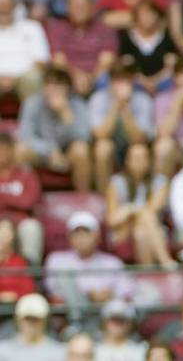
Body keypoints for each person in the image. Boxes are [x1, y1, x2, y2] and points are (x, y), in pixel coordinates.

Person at [17, 67, 92, 191]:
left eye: (58, 85)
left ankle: (83, 197)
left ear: (68, 88)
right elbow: (26, 135)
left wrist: (66, 113)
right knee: (21, 150)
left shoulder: (77, 104)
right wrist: (50, 150)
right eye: (49, 84)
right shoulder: (32, 103)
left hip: (67, 154)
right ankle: (24, 195)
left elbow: (85, 137)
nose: (53, 89)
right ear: (43, 87)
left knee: (81, 150)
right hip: (41, 153)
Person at [105, 142, 175, 267]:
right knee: (144, 218)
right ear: (127, 161)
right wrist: (134, 210)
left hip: (151, 230)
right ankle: (166, 262)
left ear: (150, 160)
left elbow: (152, 211)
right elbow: (112, 220)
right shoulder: (116, 182)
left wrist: (129, 210)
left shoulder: (161, 182)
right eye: (136, 158)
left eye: (144, 157)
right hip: (124, 231)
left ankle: (148, 274)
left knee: (141, 232)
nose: (140, 162)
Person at [89, 62, 155, 192]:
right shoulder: (98, 98)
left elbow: (139, 138)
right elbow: (100, 134)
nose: (121, 84)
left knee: (138, 150)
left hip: (133, 146)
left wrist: (125, 108)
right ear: (110, 81)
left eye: (125, 79)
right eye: (117, 79)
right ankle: (104, 198)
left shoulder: (143, 100)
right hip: (112, 149)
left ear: (132, 81)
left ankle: (139, 197)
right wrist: (116, 106)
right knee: (103, 147)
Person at [44, 212, 136, 306]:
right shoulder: (56, 260)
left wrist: (110, 295)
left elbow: (126, 290)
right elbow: (53, 289)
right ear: (70, 237)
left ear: (97, 236)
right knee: (64, 273)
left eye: (86, 232)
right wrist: (89, 294)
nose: (82, 237)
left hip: (106, 311)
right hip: (72, 312)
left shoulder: (112, 262)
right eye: (77, 233)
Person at [47, 0, 118, 97]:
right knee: (56, 79)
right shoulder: (58, 29)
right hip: (67, 77)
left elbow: (107, 61)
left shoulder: (105, 30)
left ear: (92, 8)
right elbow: (58, 60)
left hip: (98, 80)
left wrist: (90, 78)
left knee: (108, 78)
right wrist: (76, 76)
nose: (79, 9)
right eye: (75, 5)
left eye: (83, 5)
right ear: (68, 8)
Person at [118, 0, 180, 94]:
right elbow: (126, 65)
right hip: (135, 82)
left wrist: (154, 81)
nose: (147, 18)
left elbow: (171, 65)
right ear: (136, 17)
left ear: (158, 16)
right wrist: (144, 82)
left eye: (151, 14)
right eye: (142, 14)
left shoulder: (166, 37)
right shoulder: (127, 38)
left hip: (162, 82)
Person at [0, 132, 43, 264]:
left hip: (21, 222)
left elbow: (29, 202)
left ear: (13, 150)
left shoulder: (26, 174)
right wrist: (15, 200)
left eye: (5, 149)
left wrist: (3, 199)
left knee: (32, 228)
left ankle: (31, 276)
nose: (2, 153)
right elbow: (22, 201)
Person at [0, 0, 49, 101]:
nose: (3, 8)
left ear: (15, 6)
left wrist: (15, 79)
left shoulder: (32, 27)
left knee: (33, 78)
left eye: (7, 5)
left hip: (25, 78)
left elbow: (41, 62)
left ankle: (29, 118)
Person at [0, 293, 65, 361]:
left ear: (45, 320)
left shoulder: (59, 352)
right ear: (18, 319)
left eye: (36, 319)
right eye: (27, 318)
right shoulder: (3, 351)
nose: (31, 324)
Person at [0, 218, 36, 303]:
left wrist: (15, 295)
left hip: (15, 306)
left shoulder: (19, 262)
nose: (2, 236)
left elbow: (29, 289)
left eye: (6, 233)